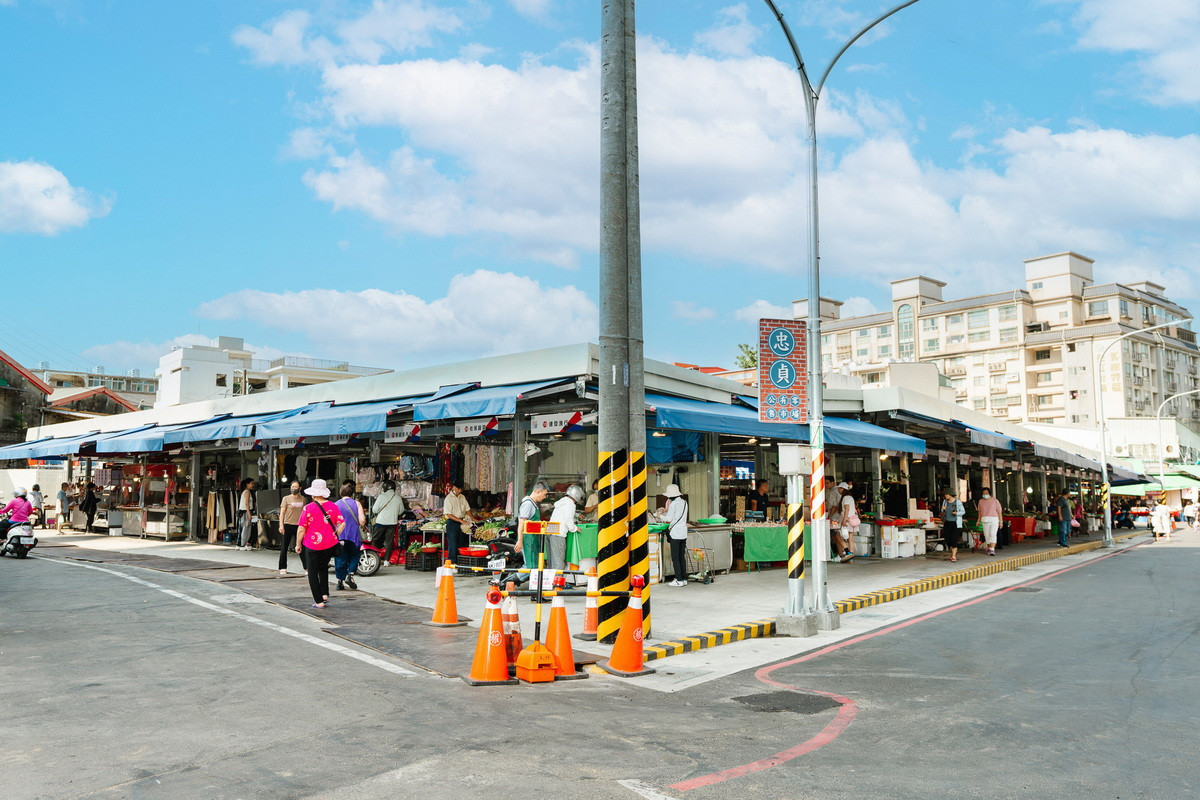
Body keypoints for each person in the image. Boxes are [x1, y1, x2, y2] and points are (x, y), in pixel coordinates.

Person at [295, 478, 344, 609]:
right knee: (323, 567)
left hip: (312, 545)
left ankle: (319, 601)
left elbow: (301, 529)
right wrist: (335, 534)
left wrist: (298, 544)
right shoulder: (334, 506)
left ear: (313, 493)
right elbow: (342, 524)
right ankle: (324, 594)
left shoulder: (308, 508)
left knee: (312, 572)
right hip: (329, 544)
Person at [334, 481, 366, 591]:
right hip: (353, 535)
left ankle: (340, 581)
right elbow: (362, 521)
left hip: (340, 535)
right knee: (355, 555)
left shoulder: (335, 504)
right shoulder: (357, 504)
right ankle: (350, 574)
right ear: (352, 493)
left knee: (340, 557)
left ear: (341, 493)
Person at [515, 481, 550, 571]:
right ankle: (510, 579)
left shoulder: (533, 504)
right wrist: (520, 541)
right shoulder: (528, 504)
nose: (545, 497)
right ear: (538, 492)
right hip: (528, 540)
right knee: (530, 567)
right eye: (544, 494)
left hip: (533, 539)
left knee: (533, 566)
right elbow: (522, 523)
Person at [547, 484, 582, 573]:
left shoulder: (563, 501)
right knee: (559, 563)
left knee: (552, 562)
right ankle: (558, 581)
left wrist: (576, 515)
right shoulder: (570, 503)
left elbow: (564, 514)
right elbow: (568, 519)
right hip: (558, 535)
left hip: (550, 532)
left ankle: (553, 580)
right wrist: (574, 528)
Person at [662, 484, 689, 586]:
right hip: (683, 533)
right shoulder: (684, 502)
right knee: (681, 556)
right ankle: (684, 579)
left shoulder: (673, 504)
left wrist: (659, 515)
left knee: (675, 557)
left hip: (675, 533)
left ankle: (678, 580)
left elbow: (668, 519)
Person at [370, 479, 402, 566]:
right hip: (392, 522)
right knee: (389, 542)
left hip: (380, 522)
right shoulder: (398, 498)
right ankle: (386, 561)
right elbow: (401, 511)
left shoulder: (381, 496)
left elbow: (374, 510)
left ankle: (374, 558)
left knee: (375, 539)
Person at [277, 481, 306, 575]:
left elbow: (304, 513)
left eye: (296, 487)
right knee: (284, 547)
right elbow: (282, 513)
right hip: (288, 524)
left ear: (300, 488)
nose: (293, 488)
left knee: (302, 547)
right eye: (292, 486)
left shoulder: (303, 499)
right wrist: (281, 525)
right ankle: (282, 567)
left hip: (299, 526)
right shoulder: (286, 499)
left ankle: (306, 568)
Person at [442, 480, 472, 566]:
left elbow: (467, 509)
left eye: (461, 489)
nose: (459, 491)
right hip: (452, 523)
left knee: (461, 542)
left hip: (461, 523)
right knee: (453, 543)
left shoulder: (462, 497)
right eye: (458, 489)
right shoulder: (448, 498)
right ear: (454, 487)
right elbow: (448, 514)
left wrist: (473, 518)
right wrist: (461, 521)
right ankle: (452, 562)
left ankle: (460, 562)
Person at [832, 482, 859, 563]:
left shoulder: (846, 498)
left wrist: (844, 520)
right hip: (852, 520)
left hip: (847, 520)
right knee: (850, 538)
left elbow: (847, 509)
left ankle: (848, 552)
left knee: (837, 535)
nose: (838, 490)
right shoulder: (850, 497)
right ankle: (850, 558)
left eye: (839, 488)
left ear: (842, 489)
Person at [940, 490, 965, 562]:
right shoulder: (945, 502)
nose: (945, 496)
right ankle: (954, 552)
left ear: (951, 495)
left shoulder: (957, 502)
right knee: (947, 539)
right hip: (947, 522)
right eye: (945, 495)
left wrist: (957, 513)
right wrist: (942, 509)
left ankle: (953, 556)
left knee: (954, 539)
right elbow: (942, 511)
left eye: (946, 494)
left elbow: (963, 511)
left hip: (955, 523)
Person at [977, 487, 1003, 556]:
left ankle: (992, 549)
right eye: (983, 493)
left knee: (993, 534)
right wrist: (978, 520)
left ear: (990, 494)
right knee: (987, 535)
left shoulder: (995, 501)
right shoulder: (981, 501)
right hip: (984, 519)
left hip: (994, 519)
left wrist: (1001, 522)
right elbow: (979, 512)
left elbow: (999, 512)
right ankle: (989, 547)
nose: (985, 495)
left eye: (986, 493)